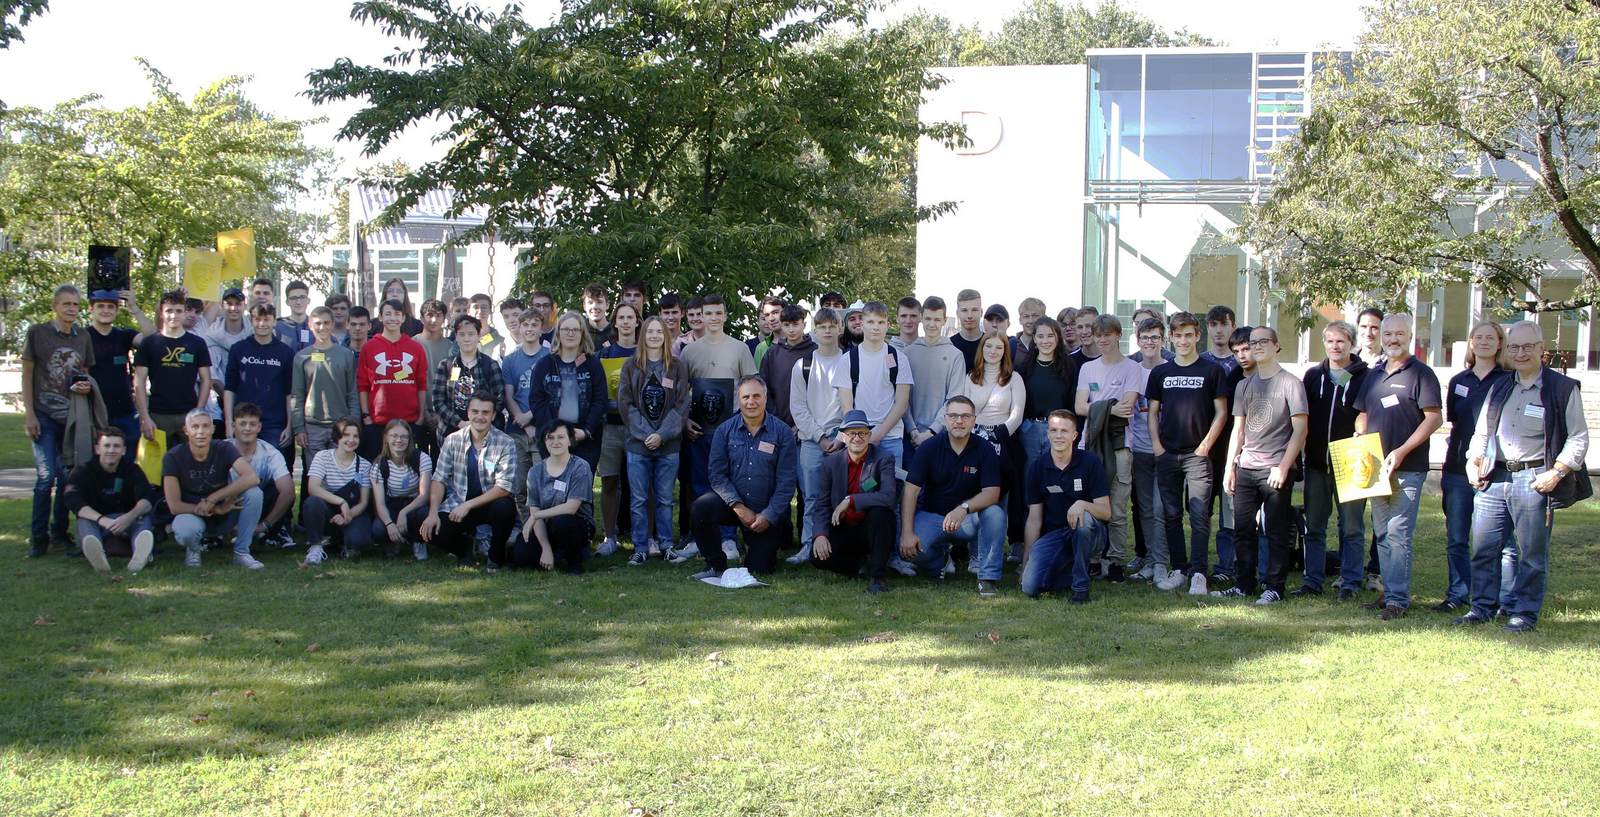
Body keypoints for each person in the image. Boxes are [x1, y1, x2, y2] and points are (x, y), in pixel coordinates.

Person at [1458, 320, 1590, 633]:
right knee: (1484, 549)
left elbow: (1579, 437)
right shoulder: (1500, 386)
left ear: (1541, 349)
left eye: (1528, 346)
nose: (1520, 353)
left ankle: (1524, 613)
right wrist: (1472, 461)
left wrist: (1557, 473)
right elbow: (1482, 431)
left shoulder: (1562, 388)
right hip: (1495, 477)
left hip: (1534, 480)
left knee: (1531, 555)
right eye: (1515, 347)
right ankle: (1482, 608)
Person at [1353, 314, 1442, 620]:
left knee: (1398, 532)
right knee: (1381, 533)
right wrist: (1360, 435)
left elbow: (1434, 418)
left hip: (1408, 467)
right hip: (1376, 467)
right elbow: (1363, 413)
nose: (1393, 339)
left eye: (1399, 334)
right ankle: (1389, 593)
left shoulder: (1422, 374)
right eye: (1388, 333)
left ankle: (1398, 600)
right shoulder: (1374, 374)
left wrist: (1402, 451)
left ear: (1410, 337)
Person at [1214, 327, 1308, 605]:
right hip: (1246, 467)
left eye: (1263, 342)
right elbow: (1238, 430)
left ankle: (1275, 587)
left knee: (1276, 531)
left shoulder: (1291, 383)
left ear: (1277, 345)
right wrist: (1230, 468)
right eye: (1253, 343)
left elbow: (1300, 430)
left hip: (1275, 469)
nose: (1257, 347)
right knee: (1242, 530)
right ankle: (1244, 584)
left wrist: (1283, 466)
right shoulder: (1244, 386)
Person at [1146, 311, 1229, 594]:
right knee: (1171, 515)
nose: (1183, 341)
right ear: (1171, 337)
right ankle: (1179, 570)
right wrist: (1157, 446)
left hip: (1198, 455)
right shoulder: (1161, 372)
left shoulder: (1212, 370)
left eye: (1188, 335)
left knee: (1199, 515)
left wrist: (1205, 446)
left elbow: (1221, 412)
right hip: (1167, 454)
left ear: (1197, 336)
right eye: (1178, 335)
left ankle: (1199, 573)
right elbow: (1153, 412)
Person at [686, 375, 798, 579]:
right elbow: (717, 475)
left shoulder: (783, 433)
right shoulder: (724, 430)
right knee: (700, 508)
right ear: (738, 400)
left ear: (765, 398)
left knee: (759, 570)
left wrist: (768, 516)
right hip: (732, 506)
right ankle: (715, 564)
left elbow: (787, 483)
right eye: (745, 397)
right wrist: (738, 506)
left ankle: (755, 546)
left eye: (756, 396)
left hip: (765, 511)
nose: (751, 402)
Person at [674, 294, 757, 564]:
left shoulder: (739, 348)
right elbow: (682, 392)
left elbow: (751, 387)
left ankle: (729, 538)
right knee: (701, 484)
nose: (712, 318)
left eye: (717, 313)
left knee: (728, 484)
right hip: (699, 430)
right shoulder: (690, 351)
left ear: (725, 315)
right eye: (707, 313)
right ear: (701, 316)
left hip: (731, 429)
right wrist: (685, 420)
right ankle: (703, 540)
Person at [900, 395, 1006, 596]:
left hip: (969, 519)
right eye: (954, 416)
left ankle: (987, 577)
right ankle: (938, 563)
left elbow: (992, 493)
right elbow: (911, 491)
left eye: (965, 416)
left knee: (995, 514)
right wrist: (906, 532)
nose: (959, 421)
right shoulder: (928, 448)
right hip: (933, 516)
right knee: (907, 550)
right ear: (946, 419)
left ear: (974, 420)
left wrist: (964, 508)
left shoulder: (985, 449)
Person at [1440, 320, 1513, 613]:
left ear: (1500, 343)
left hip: (1495, 472)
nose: (1483, 342)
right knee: (1457, 539)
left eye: (1490, 338)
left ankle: (1505, 600)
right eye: (1478, 337)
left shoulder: (1509, 380)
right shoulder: (1459, 380)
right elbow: (1455, 421)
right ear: (1471, 343)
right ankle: (1458, 594)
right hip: (1457, 470)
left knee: (1501, 543)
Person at [1299, 321, 1371, 600]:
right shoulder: (1313, 376)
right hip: (1316, 463)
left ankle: (1350, 581)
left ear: (1352, 344)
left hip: (1352, 460)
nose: (1335, 346)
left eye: (1340, 341)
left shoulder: (1366, 377)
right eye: (1330, 341)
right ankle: (1312, 581)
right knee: (1314, 527)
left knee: (1352, 527)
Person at [23, 284, 97, 555]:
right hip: (43, 415)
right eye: (66, 304)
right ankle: (38, 538)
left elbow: (85, 375)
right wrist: (29, 414)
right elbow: (27, 374)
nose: (71, 309)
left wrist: (86, 388)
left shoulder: (83, 336)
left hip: (72, 419)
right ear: (54, 306)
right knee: (46, 477)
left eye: (75, 304)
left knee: (67, 479)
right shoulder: (37, 333)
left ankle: (59, 533)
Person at [1074, 314, 1146, 583]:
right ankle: (1094, 558)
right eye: (1098, 335)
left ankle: (1115, 560)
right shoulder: (1088, 369)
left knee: (1116, 506)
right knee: (1091, 503)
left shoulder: (1132, 368)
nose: (1102, 340)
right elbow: (1079, 406)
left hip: (1120, 445)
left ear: (1118, 335)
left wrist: (1101, 407)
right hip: (1089, 443)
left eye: (1107, 335)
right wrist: (1110, 408)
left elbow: (1127, 406)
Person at [421, 390, 523, 569]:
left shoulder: (505, 442)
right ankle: (464, 549)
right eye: (475, 411)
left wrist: (468, 505)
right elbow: (439, 478)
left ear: (493, 415)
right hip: (459, 501)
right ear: (468, 413)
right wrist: (433, 512)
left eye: (485, 412)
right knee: (427, 523)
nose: (479, 417)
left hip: (490, 502)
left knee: (505, 508)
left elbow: (504, 487)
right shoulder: (452, 440)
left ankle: (495, 557)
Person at [618, 316, 690, 564]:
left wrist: (662, 434)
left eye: (660, 332)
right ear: (643, 335)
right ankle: (640, 547)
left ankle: (667, 546)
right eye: (650, 331)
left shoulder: (677, 366)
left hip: (669, 445)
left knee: (665, 499)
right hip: (638, 445)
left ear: (665, 336)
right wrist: (646, 434)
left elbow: (682, 403)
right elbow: (625, 403)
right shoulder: (631, 366)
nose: (655, 335)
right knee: (639, 499)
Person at [1019, 410, 1112, 604]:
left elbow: (1105, 512)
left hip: (1090, 532)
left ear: (1074, 435)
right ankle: (1074, 571)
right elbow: (1034, 520)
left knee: (1082, 520)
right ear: (1048, 434)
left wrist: (1083, 504)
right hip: (1055, 535)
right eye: (1054, 430)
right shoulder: (1037, 467)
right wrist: (1024, 565)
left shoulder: (1090, 462)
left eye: (1064, 431)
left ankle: (1080, 589)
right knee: (1030, 586)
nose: (1058, 435)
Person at [163, 409, 263, 569]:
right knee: (186, 531)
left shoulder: (224, 448)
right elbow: (174, 506)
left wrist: (213, 498)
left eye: (205, 426)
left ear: (213, 429)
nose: (200, 432)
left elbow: (252, 477)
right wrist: (215, 508)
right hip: (192, 514)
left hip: (224, 513)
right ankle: (193, 549)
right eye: (195, 427)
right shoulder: (172, 457)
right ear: (186, 430)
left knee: (254, 493)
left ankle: (242, 552)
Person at [811, 410, 899, 592]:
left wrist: (850, 500)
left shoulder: (883, 459)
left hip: (872, 527)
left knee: (879, 513)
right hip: (844, 527)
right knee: (817, 558)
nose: (857, 438)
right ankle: (855, 564)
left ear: (869, 436)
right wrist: (820, 535)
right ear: (843, 436)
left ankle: (878, 576)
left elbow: (889, 496)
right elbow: (823, 504)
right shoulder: (830, 463)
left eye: (862, 433)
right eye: (852, 433)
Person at [786, 307, 847, 564]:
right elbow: (798, 407)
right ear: (814, 331)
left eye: (832, 326)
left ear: (840, 329)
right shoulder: (803, 365)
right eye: (823, 327)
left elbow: (856, 403)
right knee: (811, 496)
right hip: (812, 441)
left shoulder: (850, 362)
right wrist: (820, 437)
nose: (828, 331)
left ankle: (841, 545)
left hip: (844, 439)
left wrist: (841, 436)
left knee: (843, 495)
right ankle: (809, 545)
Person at [962, 330, 1026, 572]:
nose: (993, 351)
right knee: (974, 498)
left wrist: (996, 435)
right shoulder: (971, 378)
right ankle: (975, 556)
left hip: (1002, 443)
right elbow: (965, 410)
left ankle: (993, 557)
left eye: (999, 347)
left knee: (998, 504)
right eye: (988, 346)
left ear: (1005, 352)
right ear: (982, 349)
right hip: (974, 443)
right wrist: (976, 436)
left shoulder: (1014, 379)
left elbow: (1017, 415)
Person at [291, 307, 361, 524]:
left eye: (326, 323)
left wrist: (354, 425)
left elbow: (352, 393)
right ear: (310, 326)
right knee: (316, 479)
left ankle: (339, 521)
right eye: (317, 323)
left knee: (341, 476)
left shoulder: (346, 355)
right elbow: (297, 395)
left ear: (333, 325)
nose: (322, 327)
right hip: (312, 426)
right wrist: (298, 428)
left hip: (341, 427)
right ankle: (315, 524)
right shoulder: (301, 357)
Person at [836, 301, 913, 488]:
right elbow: (847, 406)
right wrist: (862, 435)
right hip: (858, 439)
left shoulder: (899, 359)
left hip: (891, 438)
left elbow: (902, 403)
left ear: (887, 325)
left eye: (880, 322)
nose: (876, 327)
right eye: (870, 322)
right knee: (861, 489)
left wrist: (877, 435)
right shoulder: (848, 360)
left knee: (890, 493)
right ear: (862, 324)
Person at [64, 427, 156, 572]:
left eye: (116, 446)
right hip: (97, 522)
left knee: (143, 518)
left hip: (126, 522)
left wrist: (128, 517)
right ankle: (96, 556)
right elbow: (73, 499)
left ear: (123, 450)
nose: (111, 450)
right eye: (106, 446)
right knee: (83, 522)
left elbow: (148, 499)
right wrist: (101, 519)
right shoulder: (82, 470)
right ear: (97, 449)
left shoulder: (133, 470)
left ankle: (140, 555)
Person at [529, 311, 608, 478]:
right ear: (558, 332)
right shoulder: (544, 365)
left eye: (575, 330)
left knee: (581, 488)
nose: (570, 333)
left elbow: (600, 400)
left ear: (582, 333)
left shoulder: (593, 364)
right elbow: (537, 400)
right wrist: (554, 432)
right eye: (565, 329)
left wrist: (587, 431)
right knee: (554, 488)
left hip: (585, 441)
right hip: (552, 439)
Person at [85, 288, 156, 465]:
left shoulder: (123, 335)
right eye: (100, 306)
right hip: (96, 414)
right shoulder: (83, 336)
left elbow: (152, 339)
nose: (106, 310)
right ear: (90, 309)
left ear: (117, 310)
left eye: (111, 306)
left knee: (127, 465)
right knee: (98, 465)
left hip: (125, 412)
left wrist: (133, 306)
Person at [134, 290, 211, 452]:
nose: (174, 315)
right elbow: (139, 382)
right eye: (169, 311)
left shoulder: (197, 343)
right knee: (157, 464)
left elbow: (206, 379)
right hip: (158, 415)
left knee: (192, 460)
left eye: (178, 311)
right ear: (161, 313)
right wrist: (144, 417)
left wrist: (198, 411)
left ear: (184, 313)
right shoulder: (149, 343)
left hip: (188, 413)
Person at [519, 421, 597, 574]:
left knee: (563, 522)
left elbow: (571, 508)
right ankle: (554, 551)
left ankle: (575, 563)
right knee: (521, 555)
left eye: (561, 437)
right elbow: (535, 511)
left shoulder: (580, 467)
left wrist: (535, 516)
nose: (555, 442)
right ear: (544, 441)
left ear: (570, 440)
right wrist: (545, 548)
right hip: (546, 526)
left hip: (576, 525)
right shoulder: (535, 472)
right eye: (550, 437)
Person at [358, 299, 429, 459]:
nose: (392, 318)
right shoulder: (369, 347)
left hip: (409, 421)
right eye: (388, 314)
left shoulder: (415, 347)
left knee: (408, 467)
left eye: (397, 314)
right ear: (380, 318)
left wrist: (420, 418)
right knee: (377, 468)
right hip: (377, 423)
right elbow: (363, 384)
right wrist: (366, 417)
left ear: (403, 317)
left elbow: (421, 384)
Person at [596, 302, 642, 553]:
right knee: (610, 481)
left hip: (639, 427)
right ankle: (610, 537)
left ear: (637, 321)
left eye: (630, 317)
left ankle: (645, 536)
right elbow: (596, 388)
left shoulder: (645, 352)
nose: (625, 322)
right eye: (621, 317)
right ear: (615, 322)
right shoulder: (604, 354)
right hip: (611, 427)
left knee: (643, 483)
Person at [223, 304, 295, 461]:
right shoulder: (238, 349)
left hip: (275, 424)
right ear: (251, 321)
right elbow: (229, 388)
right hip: (244, 421)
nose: (262, 324)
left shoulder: (286, 352)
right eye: (257, 319)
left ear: (274, 321)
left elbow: (289, 391)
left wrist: (289, 426)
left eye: (267, 319)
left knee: (274, 469)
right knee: (242, 468)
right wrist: (229, 423)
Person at [1126, 317, 1168, 581]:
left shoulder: (1171, 370)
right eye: (1145, 337)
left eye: (1155, 337)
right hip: (1139, 451)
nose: (1149, 342)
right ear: (1138, 340)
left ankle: (1161, 562)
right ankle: (1151, 560)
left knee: (1161, 509)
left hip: (1165, 452)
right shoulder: (1132, 370)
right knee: (1145, 510)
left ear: (1163, 340)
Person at [302, 418, 373, 563]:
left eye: (356, 436)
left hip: (351, 513)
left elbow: (363, 502)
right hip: (326, 511)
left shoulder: (364, 465)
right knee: (312, 502)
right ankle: (315, 545)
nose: (351, 440)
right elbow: (313, 488)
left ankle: (344, 543)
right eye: (346, 435)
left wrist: (347, 515)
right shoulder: (322, 457)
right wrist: (342, 502)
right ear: (337, 436)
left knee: (359, 539)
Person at [500, 308, 550, 511]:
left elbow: (552, 395)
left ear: (542, 329)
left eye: (534, 325)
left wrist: (531, 417)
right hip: (517, 430)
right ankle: (524, 526)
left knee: (540, 486)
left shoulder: (550, 357)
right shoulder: (510, 360)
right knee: (520, 487)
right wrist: (523, 421)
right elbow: (508, 396)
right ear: (520, 328)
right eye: (526, 324)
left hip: (542, 429)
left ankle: (542, 526)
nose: (530, 329)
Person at [903, 296, 969, 450]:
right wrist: (912, 430)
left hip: (942, 437)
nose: (932, 324)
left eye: (937, 320)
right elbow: (902, 397)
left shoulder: (955, 355)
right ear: (921, 318)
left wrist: (931, 432)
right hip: (911, 437)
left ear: (944, 320)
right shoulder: (907, 354)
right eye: (928, 319)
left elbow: (954, 399)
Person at [230, 402, 296, 550]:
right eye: (242, 424)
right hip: (228, 506)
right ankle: (215, 532)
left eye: (252, 424)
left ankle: (271, 531)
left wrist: (264, 524)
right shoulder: (221, 450)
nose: (247, 428)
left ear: (259, 427)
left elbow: (288, 492)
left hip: (260, 505)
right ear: (233, 426)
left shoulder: (270, 453)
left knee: (276, 489)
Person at [369, 419, 433, 560]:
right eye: (394, 436)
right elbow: (380, 503)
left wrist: (404, 512)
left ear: (409, 439)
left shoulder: (422, 458)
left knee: (425, 513)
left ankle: (419, 541)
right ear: (386, 438)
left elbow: (424, 496)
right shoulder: (378, 465)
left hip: (415, 504)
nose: (399, 440)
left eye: (404, 436)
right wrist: (389, 524)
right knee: (379, 530)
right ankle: (393, 541)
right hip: (392, 504)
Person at [434, 315, 505, 436]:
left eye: (471, 334)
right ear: (456, 337)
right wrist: (460, 423)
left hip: (485, 433)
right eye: (462, 334)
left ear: (478, 336)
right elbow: (438, 401)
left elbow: (499, 399)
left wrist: (478, 422)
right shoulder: (445, 366)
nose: (466, 339)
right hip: (451, 433)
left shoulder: (490, 365)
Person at [412, 298, 458, 458]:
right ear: (422, 318)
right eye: (430, 315)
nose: (434, 320)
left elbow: (454, 382)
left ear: (444, 318)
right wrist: (423, 414)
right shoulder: (411, 345)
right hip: (417, 415)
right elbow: (409, 382)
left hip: (444, 415)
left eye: (438, 315)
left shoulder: (451, 348)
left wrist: (441, 415)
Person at [950, 289, 985, 371]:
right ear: (957, 313)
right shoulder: (949, 345)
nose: (969, 315)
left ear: (981, 312)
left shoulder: (990, 345)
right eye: (964, 310)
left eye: (974, 310)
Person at [1200, 306, 1238, 374]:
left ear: (1233, 328)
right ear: (1208, 328)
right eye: (1213, 325)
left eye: (1224, 324)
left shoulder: (1242, 362)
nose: (1218, 330)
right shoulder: (1199, 362)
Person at [277, 280, 314, 351]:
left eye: (302, 297)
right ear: (287, 302)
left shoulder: (316, 326)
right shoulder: (278, 327)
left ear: (308, 300)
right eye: (293, 298)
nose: (298, 302)